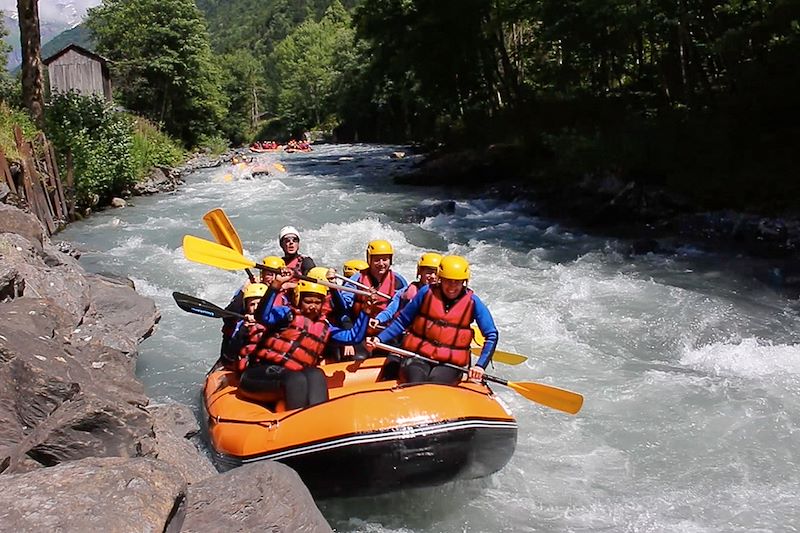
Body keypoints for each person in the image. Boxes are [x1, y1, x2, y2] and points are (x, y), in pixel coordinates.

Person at [237, 272, 375, 410]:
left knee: (316, 374)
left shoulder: (325, 327)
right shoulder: (286, 314)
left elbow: (353, 337)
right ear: (298, 300)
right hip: (259, 375)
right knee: (295, 379)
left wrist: (366, 311)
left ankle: (318, 417)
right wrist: (275, 285)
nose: (313, 306)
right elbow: (262, 316)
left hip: (293, 376)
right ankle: (295, 422)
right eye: (308, 301)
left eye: (317, 302)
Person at [366, 255, 498, 385]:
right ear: (440, 279)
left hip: (449, 363)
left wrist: (480, 366)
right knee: (415, 379)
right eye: (448, 280)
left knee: (436, 384)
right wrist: (379, 339)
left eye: (457, 282)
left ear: (464, 282)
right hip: (418, 356)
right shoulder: (425, 293)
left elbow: (491, 334)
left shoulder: (473, 302)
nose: (452, 286)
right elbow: (402, 321)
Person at [341, 239, 408, 336]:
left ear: (390, 260)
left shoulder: (399, 281)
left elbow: (405, 307)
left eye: (385, 259)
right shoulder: (357, 278)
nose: (381, 264)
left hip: (384, 331)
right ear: (369, 260)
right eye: (377, 260)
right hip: (358, 328)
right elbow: (345, 303)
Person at [370, 252, 441, 330]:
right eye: (429, 272)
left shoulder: (445, 296)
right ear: (420, 272)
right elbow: (390, 310)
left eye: (436, 273)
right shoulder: (404, 292)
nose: (433, 277)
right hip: (403, 332)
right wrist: (378, 319)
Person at [219, 282, 268, 368]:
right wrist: (244, 329)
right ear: (246, 306)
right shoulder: (240, 323)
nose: (256, 307)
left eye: (259, 304)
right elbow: (230, 355)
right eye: (252, 304)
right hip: (242, 367)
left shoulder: (273, 321)